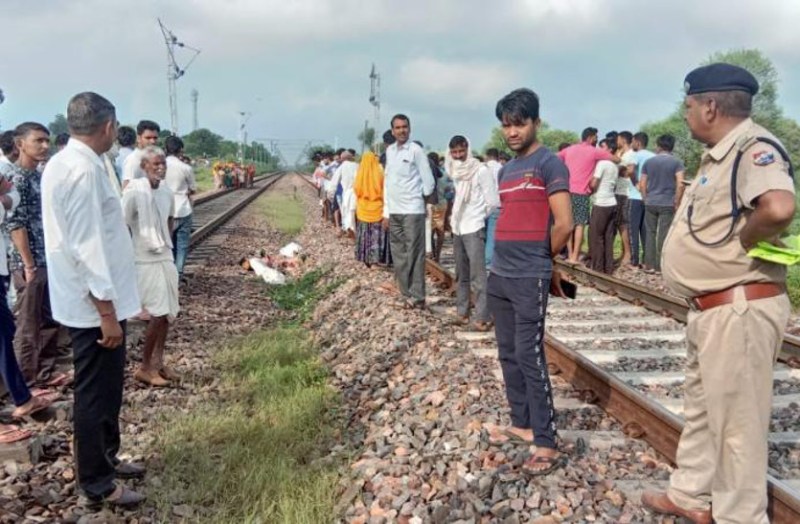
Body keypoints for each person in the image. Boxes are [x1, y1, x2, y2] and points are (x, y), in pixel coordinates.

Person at [641, 63, 796, 524]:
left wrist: (749, 239)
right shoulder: (719, 154)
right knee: (706, 410)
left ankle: (739, 517)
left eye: (688, 106)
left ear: (709, 105)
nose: (685, 114)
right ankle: (691, 495)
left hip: (739, 307)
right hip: (713, 309)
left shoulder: (755, 149)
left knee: (738, 428)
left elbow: (779, 207)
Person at [42, 92, 145, 506]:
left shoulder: (72, 163)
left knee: (107, 389)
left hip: (95, 300)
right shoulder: (82, 171)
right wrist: (106, 311)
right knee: (95, 392)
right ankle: (98, 483)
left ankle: (106, 456)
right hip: (92, 307)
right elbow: (85, 246)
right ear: (107, 127)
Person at [489, 88, 572, 475]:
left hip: (528, 275)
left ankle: (546, 440)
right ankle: (521, 424)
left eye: (519, 123)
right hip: (500, 273)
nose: (511, 131)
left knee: (529, 355)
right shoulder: (506, 170)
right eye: (506, 125)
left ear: (536, 122)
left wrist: (544, 259)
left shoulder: (550, 164)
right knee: (507, 353)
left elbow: (566, 222)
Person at [5, 123, 66, 387]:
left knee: (48, 319)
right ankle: (26, 380)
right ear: (20, 144)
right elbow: (15, 225)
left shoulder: (37, 175)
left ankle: (44, 373)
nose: (44, 146)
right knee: (28, 323)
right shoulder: (15, 179)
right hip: (28, 262)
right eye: (38, 141)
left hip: (45, 257)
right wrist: (28, 264)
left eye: (46, 141)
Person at [122, 147, 180, 387]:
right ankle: (145, 366)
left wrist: (165, 243)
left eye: (163, 164)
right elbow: (122, 224)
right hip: (143, 259)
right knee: (156, 313)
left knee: (167, 314)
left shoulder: (166, 192)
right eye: (155, 164)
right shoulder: (133, 193)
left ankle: (157, 362)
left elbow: (169, 220)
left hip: (164, 256)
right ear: (144, 166)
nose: (161, 168)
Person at [0, 167, 53, 425]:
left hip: (5, 268)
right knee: (9, 332)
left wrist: (5, 198)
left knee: (8, 331)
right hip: (14, 265)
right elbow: (11, 216)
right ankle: (22, 395)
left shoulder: (23, 177)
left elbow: (10, 199)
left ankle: (23, 394)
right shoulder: (17, 176)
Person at [382, 114, 435, 309]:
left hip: (412, 210)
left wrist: (419, 200)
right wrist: (386, 211)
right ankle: (406, 293)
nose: (401, 130)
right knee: (399, 254)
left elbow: (428, 181)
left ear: (409, 129)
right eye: (397, 127)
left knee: (415, 254)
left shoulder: (416, 151)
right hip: (394, 211)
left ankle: (418, 297)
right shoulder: (390, 152)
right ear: (393, 131)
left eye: (404, 127)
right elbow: (387, 182)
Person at [447, 135, 498, 331]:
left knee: (478, 275)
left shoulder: (480, 170)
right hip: (458, 226)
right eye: (455, 152)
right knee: (461, 274)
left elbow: (492, 202)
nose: (458, 156)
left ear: (468, 149)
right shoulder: (455, 170)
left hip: (474, 226)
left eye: (461, 151)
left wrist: (478, 216)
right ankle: (462, 312)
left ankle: (483, 317)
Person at [558, 127, 616, 263]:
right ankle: (574, 257)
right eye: (596, 137)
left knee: (569, 223)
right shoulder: (595, 151)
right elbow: (615, 159)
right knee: (580, 225)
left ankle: (570, 253)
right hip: (581, 193)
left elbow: (555, 158)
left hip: (567, 191)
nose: (596, 139)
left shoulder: (569, 149)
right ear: (590, 137)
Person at [640, 134, 685, 273]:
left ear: (659, 146)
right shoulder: (677, 163)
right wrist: (677, 201)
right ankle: (661, 266)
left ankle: (649, 265)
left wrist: (645, 198)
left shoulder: (649, 162)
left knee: (650, 233)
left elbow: (642, 183)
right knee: (664, 234)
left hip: (651, 201)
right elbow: (681, 184)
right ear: (672, 147)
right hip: (667, 202)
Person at [164, 136, 197, 281]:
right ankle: (178, 273)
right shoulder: (186, 168)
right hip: (183, 208)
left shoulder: (159, 165)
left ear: (166, 149)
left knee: (167, 243)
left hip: (165, 210)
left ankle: (168, 273)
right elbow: (193, 189)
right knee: (182, 244)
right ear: (181, 150)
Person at [353, 151, 392, 267]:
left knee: (365, 234)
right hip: (377, 208)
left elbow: (356, 190)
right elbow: (385, 190)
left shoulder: (359, 173)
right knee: (377, 235)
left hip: (363, 209)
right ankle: (377, 258)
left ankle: (365, 257)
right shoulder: (380, 172)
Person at [588, 139, 619, 274]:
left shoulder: (602, 163)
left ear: (610, 150)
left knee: (596, 236)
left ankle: (598, 268)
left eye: (602, 147)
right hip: (612, 202)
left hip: (601, 202)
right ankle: (608, 267)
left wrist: (589, 186)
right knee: (608, 236)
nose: (599, 149)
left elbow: (594, 183)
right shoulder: (614, 165)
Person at [630, 132, 655, 267]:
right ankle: (647, 260)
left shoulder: (636, 155)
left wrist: (636, 183)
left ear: (638, 143)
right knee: (646, 230)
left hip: (635, 196)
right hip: (648, 197)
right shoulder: (653, 156)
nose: (632, 144)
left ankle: (634, 261)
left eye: (633, 141)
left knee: (632, 230)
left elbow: (630, 171)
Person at [614, 131, 637, 266]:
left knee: (623, 223)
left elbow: (631, 171)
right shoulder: (619, 153)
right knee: (618, 223)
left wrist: (619, 171)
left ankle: (628, 253)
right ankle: (623, 252)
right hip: (616, 191)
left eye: (618, 139)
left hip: (625, 192)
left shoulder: (631, 154)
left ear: (623, 140)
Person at [121, 120, 160, 191]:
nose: (152, 141)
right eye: (148, 138)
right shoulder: (133, 160)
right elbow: (127, 188)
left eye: (155, 138)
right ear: (139, 138)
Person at [329, 150, 359, 237]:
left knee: (346, 214)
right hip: (357, 194)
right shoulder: (358, 166)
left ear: (342, 159)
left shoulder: (342, 167)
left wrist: (331, 195)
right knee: (355, 213)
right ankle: (354, 232)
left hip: (347, 194)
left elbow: (334, 182)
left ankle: (350, 232)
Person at [484, 148, 503, 268]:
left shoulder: (483, 167)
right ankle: (488, 262)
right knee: (492, 235)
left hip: (481, 205)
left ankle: (479, 260)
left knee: (481, 235)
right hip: (497, 204)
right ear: (497, 157)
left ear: (487, 156)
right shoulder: (502, 168)